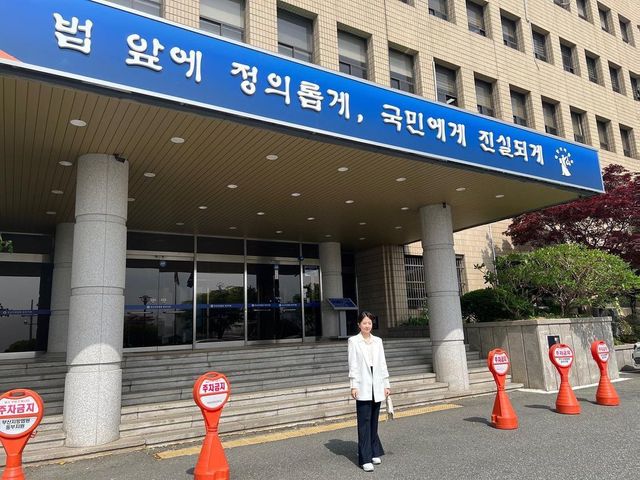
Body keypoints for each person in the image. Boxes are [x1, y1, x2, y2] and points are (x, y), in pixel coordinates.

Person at [348, 311, 391, 472]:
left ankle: (373, 451)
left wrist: (386, 384)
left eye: (370, 323)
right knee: (364, 421)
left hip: (377, 382)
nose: (367, 325)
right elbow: (353, 364)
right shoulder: (353, 341)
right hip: (363, 383)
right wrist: (354, 385)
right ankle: (365, 458)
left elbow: (382, 363)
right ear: (359, 325)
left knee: (373, 420)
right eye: (364, 323)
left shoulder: (378, 341)